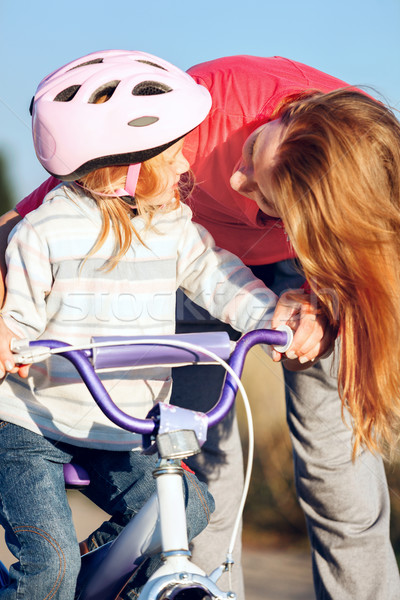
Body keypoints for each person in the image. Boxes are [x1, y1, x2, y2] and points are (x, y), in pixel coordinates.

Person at [0, 54, 387, 600]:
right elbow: (21, 270)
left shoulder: (181, 225)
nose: (216, 175)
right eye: (177, 155)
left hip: (127, 411)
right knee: (70, 551)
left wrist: (288, 309)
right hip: (54, 393)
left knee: (266, 491)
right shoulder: (54, 227)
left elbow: (219, 272)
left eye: (263, 195)